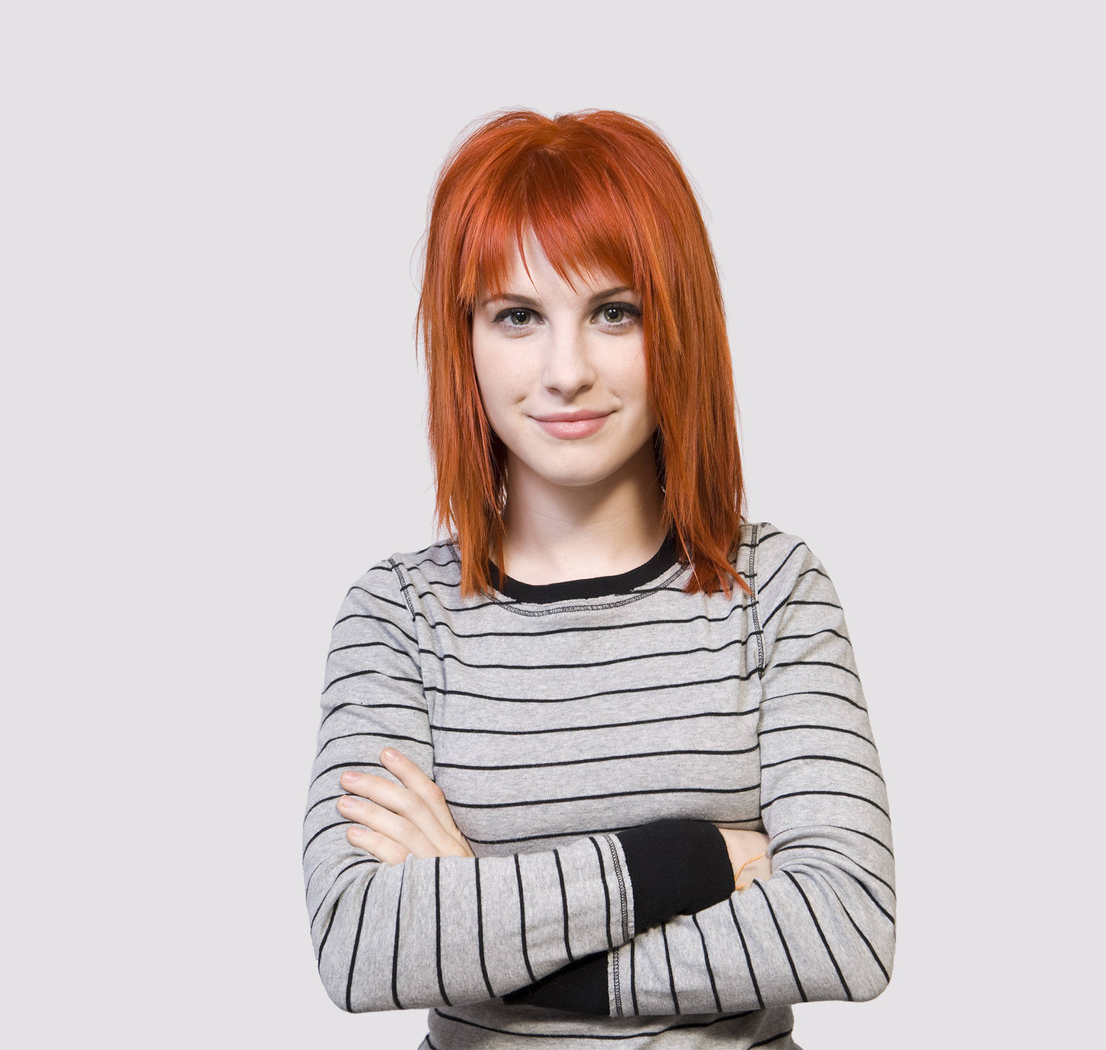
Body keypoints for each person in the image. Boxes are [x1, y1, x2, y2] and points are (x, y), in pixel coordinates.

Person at [304, 108, 895, 1049]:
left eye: (615, 312)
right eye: (518, 316)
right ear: (465, 340)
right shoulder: (398, 616)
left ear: (677, 326)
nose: (567, 371)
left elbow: (846, 930)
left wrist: (480, 924)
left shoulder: (775, 589)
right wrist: (693, 857)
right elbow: (362, 947)